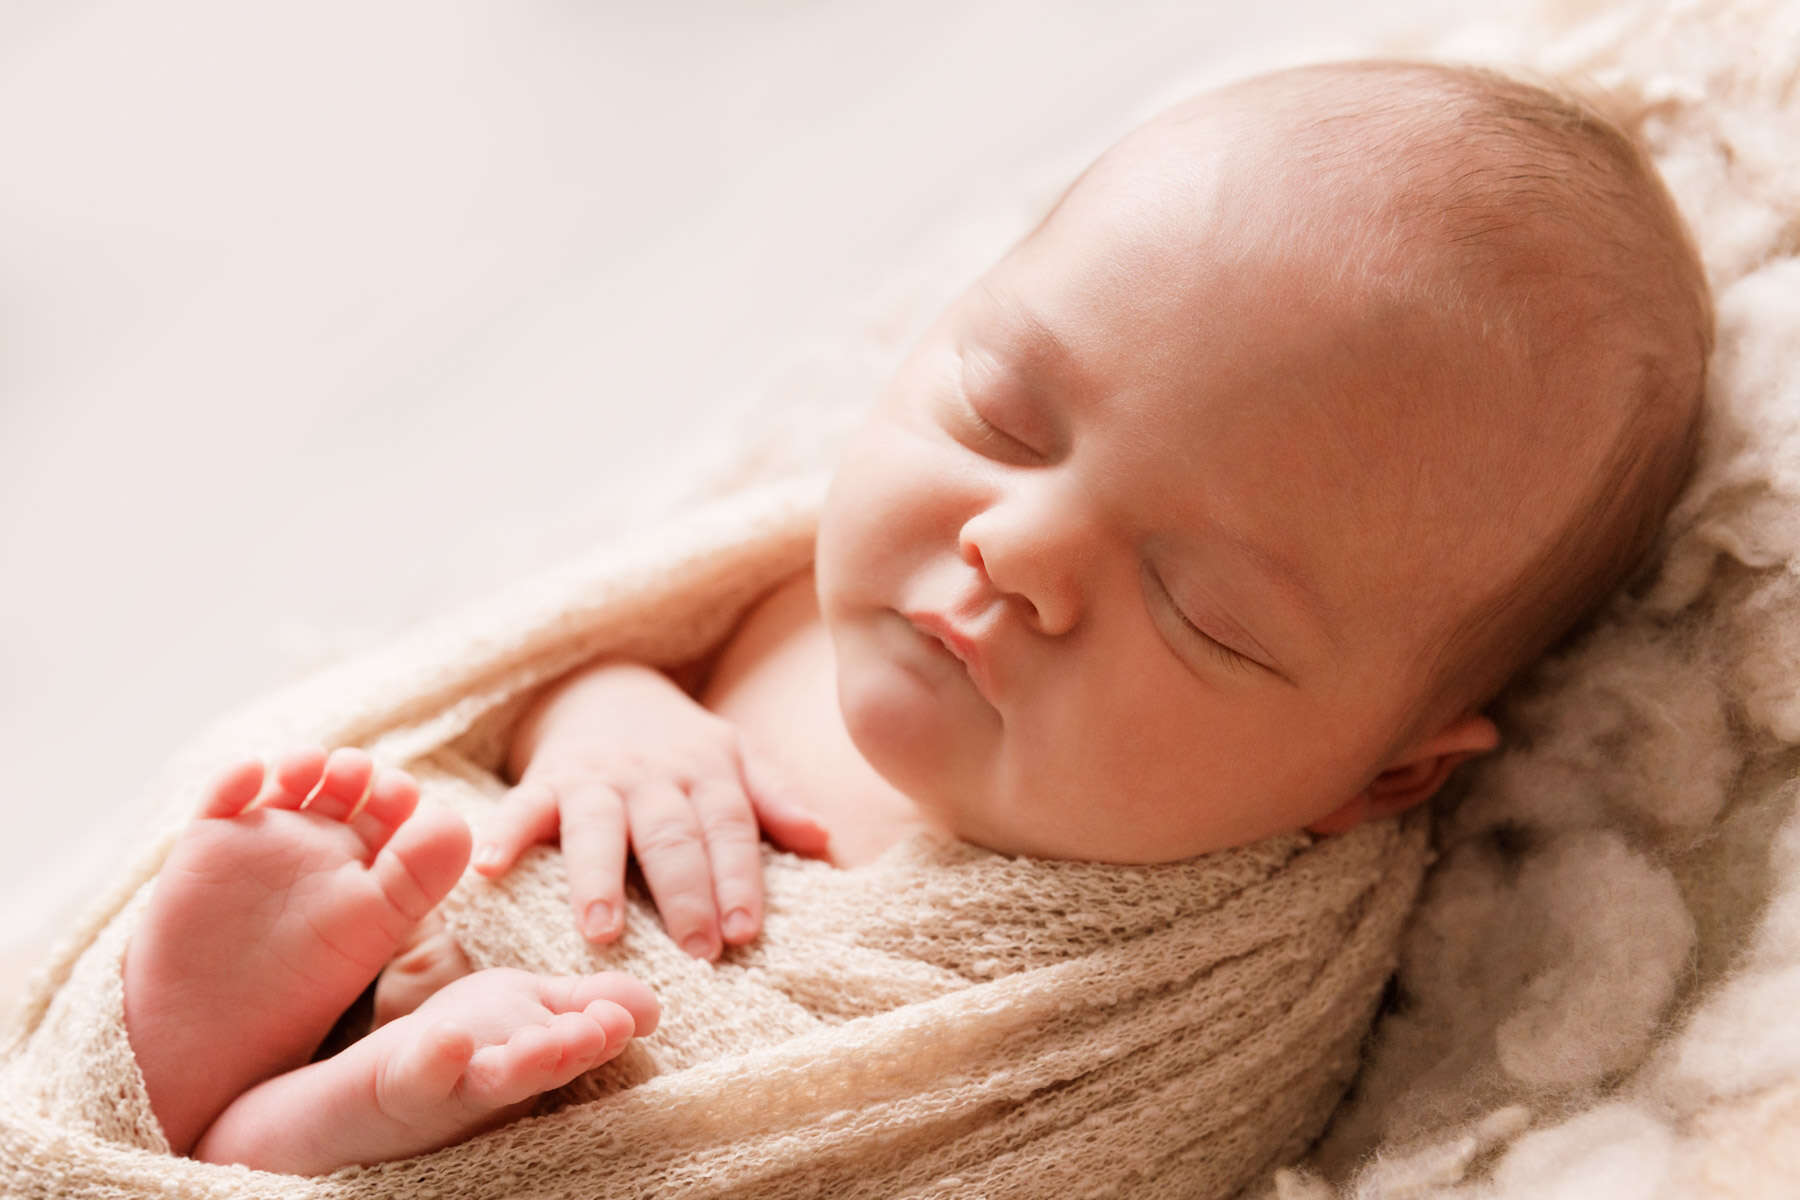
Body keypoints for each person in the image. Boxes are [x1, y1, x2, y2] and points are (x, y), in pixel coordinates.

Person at [119, 57, 1710, 1175]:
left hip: (584, 1122)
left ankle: (306, 1128)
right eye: (1007, 414)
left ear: (1382, 776)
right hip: (433, 964)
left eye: (1200, 607)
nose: (1013, 544)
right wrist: (608, 719)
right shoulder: (790, 598)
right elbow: (565, 666)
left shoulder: (1191, 991)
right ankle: (237, 1087)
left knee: (459, 1074)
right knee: (375, 869)